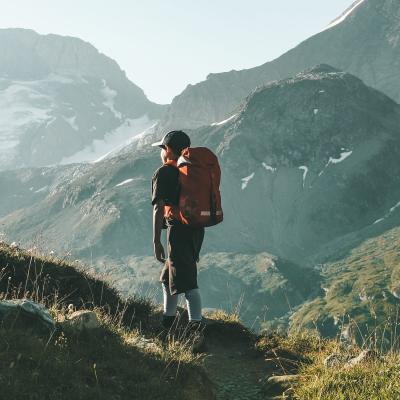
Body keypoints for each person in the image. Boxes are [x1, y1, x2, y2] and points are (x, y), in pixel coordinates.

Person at [151, 130, 205, 330]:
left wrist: (156, 241)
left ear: (167, 150)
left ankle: (196, 327)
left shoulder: (165, 172)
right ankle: (168, 320)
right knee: (167, 278)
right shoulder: (191, 170)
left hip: (178, 231)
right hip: (195, 229)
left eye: (162, 148)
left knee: (188, 281)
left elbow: (158, 207)